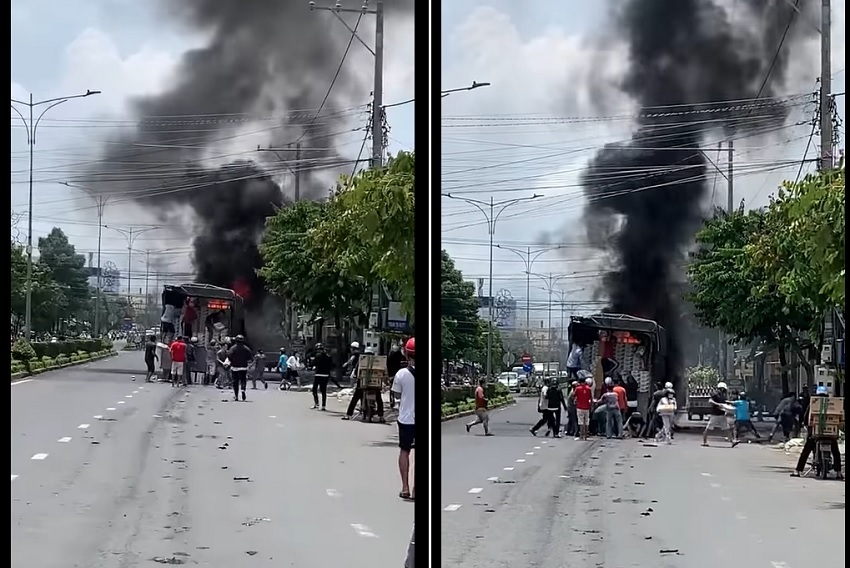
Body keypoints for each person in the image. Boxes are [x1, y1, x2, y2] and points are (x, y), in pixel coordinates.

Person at [790, 386, 843, 479]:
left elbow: (807, 418)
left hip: (815, 434)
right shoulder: (834, 404)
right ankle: (838, 472)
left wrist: (806, 424)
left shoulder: (814, 404)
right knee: (835, 451)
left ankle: (798, 470)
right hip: (831, 434)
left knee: (806, 450)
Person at [391, 337, 416, 501]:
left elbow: (397, 394)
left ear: (407, 355)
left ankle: (405, 488)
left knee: (405, 451)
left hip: (406, 419)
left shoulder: (401, 374)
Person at [702, 381, 738, 448]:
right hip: (715, 415)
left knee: (727, 429)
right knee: (708, 429)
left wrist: (728, 404)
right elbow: (710, 401)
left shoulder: (723, 396)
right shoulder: (715, 394)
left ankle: (733, 441)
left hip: (722, 415)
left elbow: (724, 403)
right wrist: (718, 404)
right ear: (721, 388)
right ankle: (704, 442)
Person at [227, 334, 253, 402]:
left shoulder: (233, 348)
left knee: (235, 382)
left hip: (235, 367)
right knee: (243, 380)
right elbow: (250, 357)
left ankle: (236, 396)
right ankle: (243, 390)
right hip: (243, 367)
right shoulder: (246, 348)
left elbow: (229, 355)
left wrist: (232, 361)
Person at [311, 343, 332, 410]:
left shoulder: (317, 356)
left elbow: (313, 363)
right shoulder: (328, 356)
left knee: (314, 389)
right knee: (323, 391)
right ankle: (323, 406)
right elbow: (331, 365)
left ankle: (316, 404)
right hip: (326, 375)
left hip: (318, 374)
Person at [387, 343, 406, 410]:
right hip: (398, 373)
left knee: (391, 388)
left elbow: (387, 364)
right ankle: (398, 401)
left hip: (391, 374)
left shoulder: (390, 355)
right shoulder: (399, 355)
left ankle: (392, 402)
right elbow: (403, 361)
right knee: (400, 388)